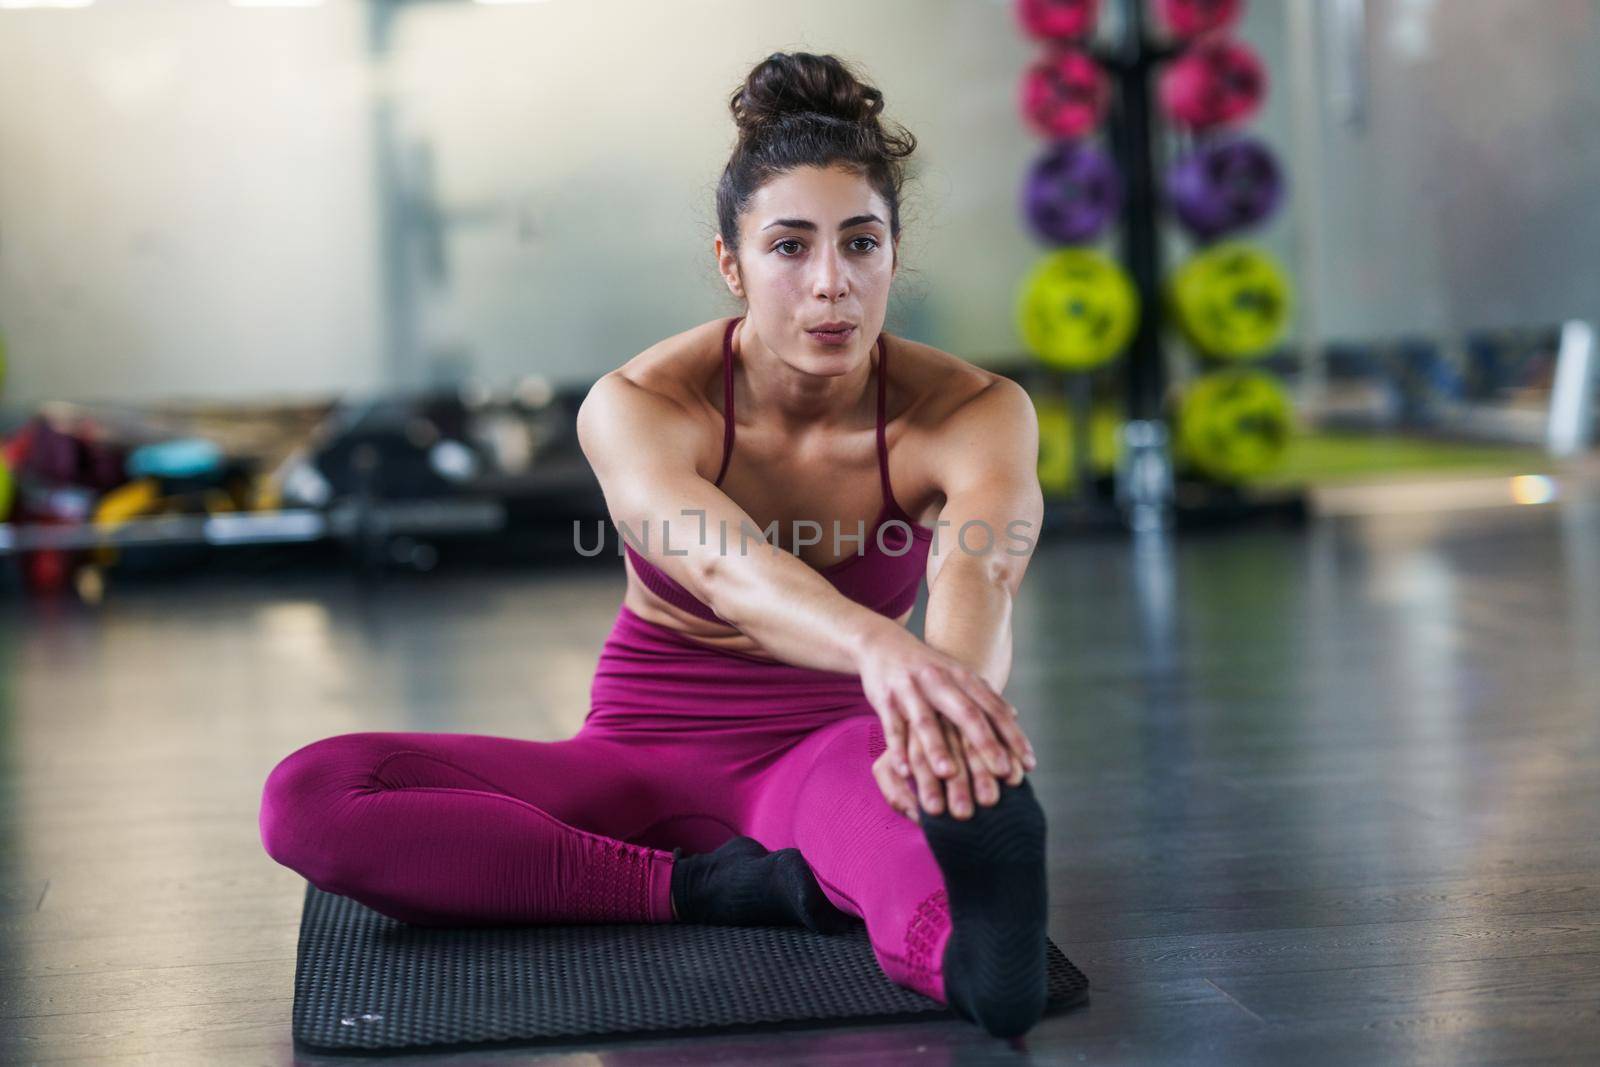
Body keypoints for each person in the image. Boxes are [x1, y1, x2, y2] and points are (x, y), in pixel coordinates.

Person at [260, 51, 1049, 1039]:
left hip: (832, 748)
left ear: (895, 254)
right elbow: (723, 565)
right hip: (637, 749)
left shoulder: (972, 410)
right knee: (313, 796)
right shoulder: (641, 403)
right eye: (789, 247)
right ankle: (704, 887)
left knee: (928, 871)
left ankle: (974, 958)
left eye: (860, 243)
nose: (830, 284)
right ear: (731, 261)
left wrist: (950, 720)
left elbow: (979, 564)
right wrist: (887, 649)